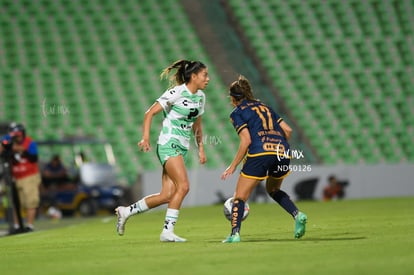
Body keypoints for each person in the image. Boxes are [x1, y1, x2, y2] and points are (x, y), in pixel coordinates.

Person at [115, 60, 209, 242]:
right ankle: (167, 232)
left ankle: (126, 211)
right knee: (184, 186)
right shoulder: (177, 92)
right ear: (194, 76)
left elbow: (197, 125)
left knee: (167, 195)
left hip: (182, 147)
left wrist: (201, 149)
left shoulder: (201, 97)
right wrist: (145, 137)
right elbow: (149, 113)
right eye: (205, 75)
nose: (208, 78)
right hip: (168, 143)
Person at [221, 75, 307, 243]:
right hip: (282, 152)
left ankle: (234, 234)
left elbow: (246, 141)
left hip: (260, 152)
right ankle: (298, 215)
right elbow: (288, 131)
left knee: (239, 197)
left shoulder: (237, 113)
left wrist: (232, 166)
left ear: (233, 98)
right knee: (273, 190)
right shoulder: (265, 107)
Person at [0, 122, 41, 232]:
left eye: (18, 134)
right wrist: (8, 147)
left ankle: (29, 225)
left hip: (29, 175)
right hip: (14, 176)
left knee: (30, 200)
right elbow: (2, 146)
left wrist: (21, 149)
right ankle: (17, 225)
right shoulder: (8, 139)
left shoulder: (29, 142)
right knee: (15, 202)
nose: (16, 137)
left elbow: (34, 158)